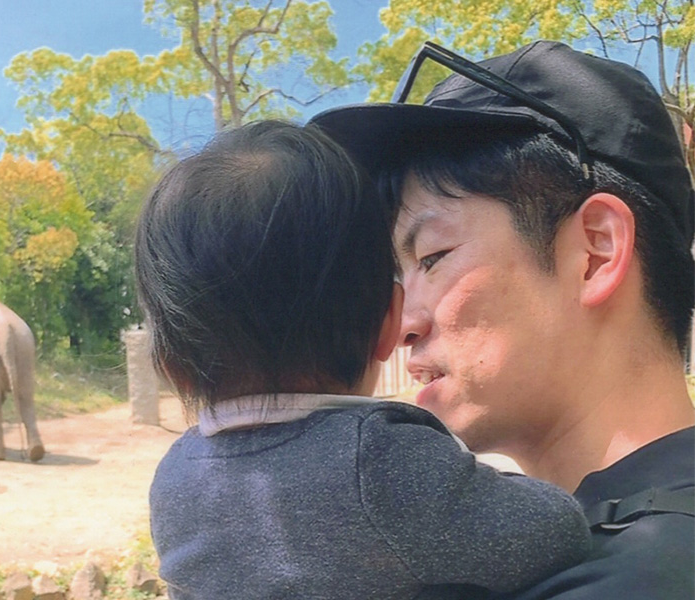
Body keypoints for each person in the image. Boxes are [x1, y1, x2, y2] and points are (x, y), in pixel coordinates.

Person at [136, 119, 591, 600]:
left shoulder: (174, 479)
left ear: (170, 366)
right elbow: (553, 533)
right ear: (389, 323)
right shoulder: (380, 458)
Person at [311, 40, 695, 598]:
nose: (398, 328)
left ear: (595, 252)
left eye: (432, 258)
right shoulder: (543, 543)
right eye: (396, 278)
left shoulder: (645, 572)